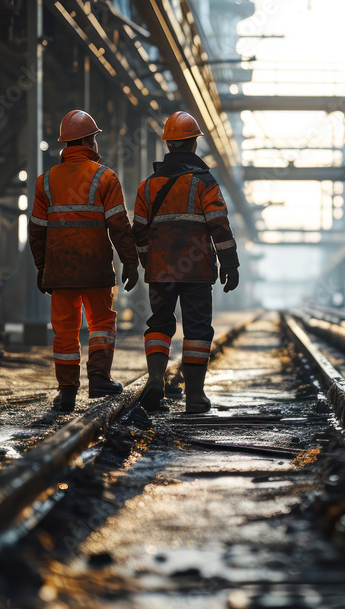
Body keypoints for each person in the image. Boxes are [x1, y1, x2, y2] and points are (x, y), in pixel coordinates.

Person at [29, 110, 140, 413]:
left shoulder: (46, 181)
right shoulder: (105, 176)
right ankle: (99, 378)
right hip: (95, 267)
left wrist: (42, 267)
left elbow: (37, 231)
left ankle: (67, 392)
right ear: (90, 139)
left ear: (66, 143)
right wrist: (130, 261)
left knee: (64, 330)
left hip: (60, 269)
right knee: (101, 324)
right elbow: (119, 225)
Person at [133, 111, 240, 413]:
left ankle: (156, 378)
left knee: (159, 323)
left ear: (168, 145)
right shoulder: (205, 183)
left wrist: (146, 262)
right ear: (194, 144)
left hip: (161, 270)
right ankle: (194, 397)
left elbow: (138, 231)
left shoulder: (147, 187)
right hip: (197, 270)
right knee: (197, 329)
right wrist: (230, 263)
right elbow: (219, 224)